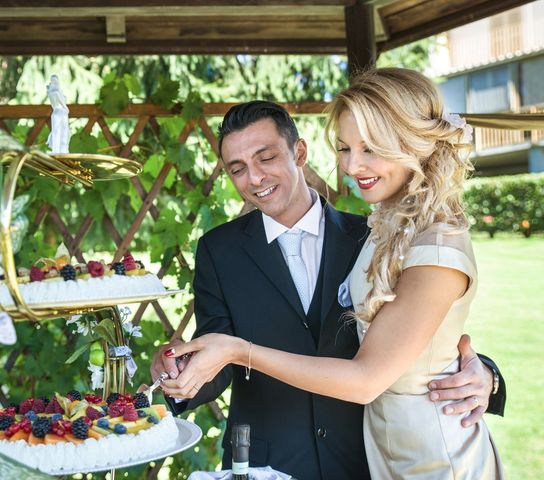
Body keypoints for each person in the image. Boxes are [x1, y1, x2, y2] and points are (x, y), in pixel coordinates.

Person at [152, 90, 506, 479]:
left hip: (364, 458)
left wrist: (485, 374)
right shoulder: (218, 251)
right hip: (268, 461)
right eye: (237, 168)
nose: (254, 178)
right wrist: (177, 374)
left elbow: (421, 337)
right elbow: (217, 351)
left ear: (299, 153)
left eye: (266, 158)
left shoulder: (370, 237)